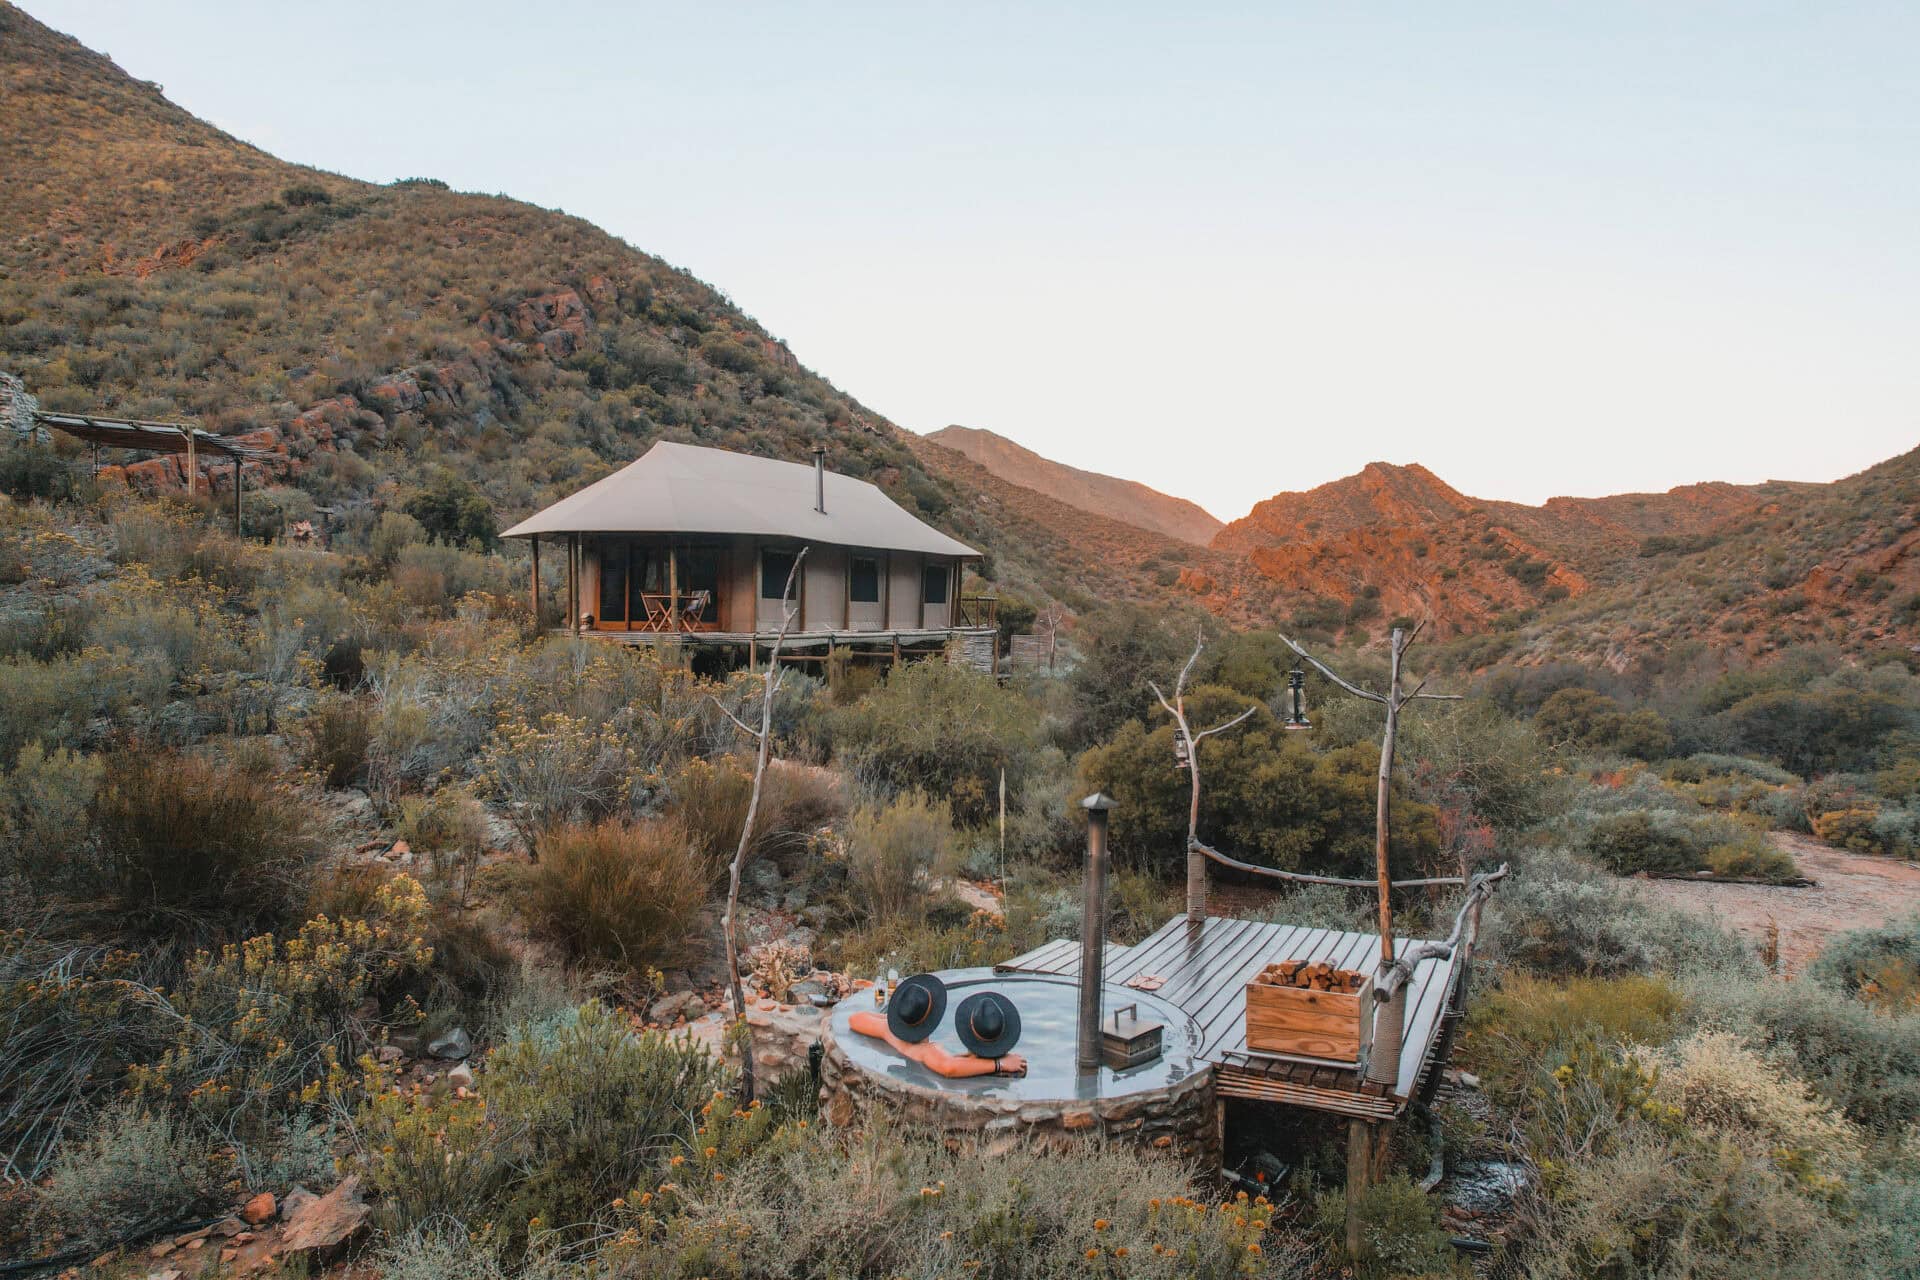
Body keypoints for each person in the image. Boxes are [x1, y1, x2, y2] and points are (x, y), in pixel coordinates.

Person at [848, 1009, 1026, 1078]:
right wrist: (999, 1064)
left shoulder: (889, 1032)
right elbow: (949, 1067)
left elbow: (855, 1018)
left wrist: (896, 1019)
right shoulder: (927, 1050)